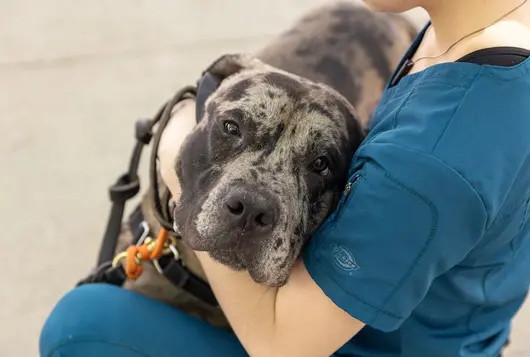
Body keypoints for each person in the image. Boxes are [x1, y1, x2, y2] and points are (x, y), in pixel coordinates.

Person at [40, 0, 530, 356]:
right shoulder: (483, 35)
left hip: (363, 343)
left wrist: (173, 151)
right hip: (462, 328)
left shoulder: (433, 154)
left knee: (81, 323)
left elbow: (283, 348)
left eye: (320, 167)